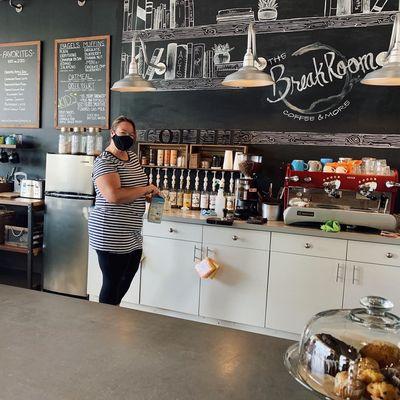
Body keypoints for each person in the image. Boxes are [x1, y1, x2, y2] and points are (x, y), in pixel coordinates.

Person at [88, 116, 159, 305]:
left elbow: (137, 185)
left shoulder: (132, 157)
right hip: (110, 231)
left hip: (132, 231)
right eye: (123, 133)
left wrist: (148, 193)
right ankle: (103, 323)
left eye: (131, 134)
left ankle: (111, 314)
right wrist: (146, 189)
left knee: (126, 278)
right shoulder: (104, 162)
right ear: (112, 134)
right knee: (112, 283)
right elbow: (114, 196)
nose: (128, 137)